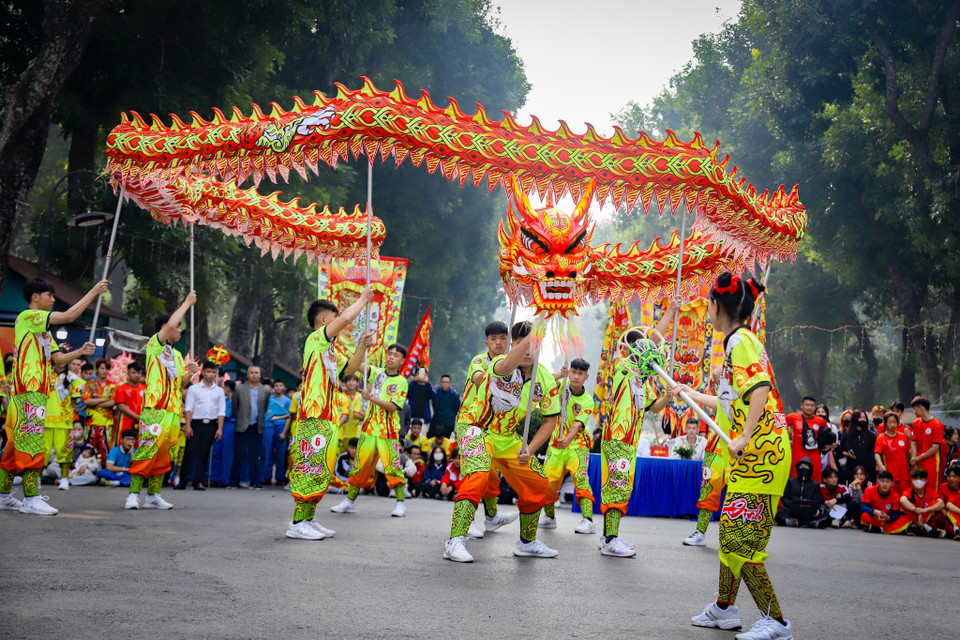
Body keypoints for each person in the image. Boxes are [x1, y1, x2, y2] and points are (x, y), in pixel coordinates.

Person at [676, 273, 793, 639]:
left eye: (707, 304)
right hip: (754, 456)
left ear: (715, 306)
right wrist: (690, 392)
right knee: (732, 538)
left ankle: (776, 622)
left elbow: (759, 388)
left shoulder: (738, 341)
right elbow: (733, 401)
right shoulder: (740, 341)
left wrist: (743, 436)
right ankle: (725, 609)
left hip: (761, 455)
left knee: (738, 542)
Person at [442, 321, 561, 563]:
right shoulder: (500, 364)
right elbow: (506, 364)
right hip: (477, 428)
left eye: (533, 345)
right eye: (521, 345)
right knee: (479, 474)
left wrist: (530, 449)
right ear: (513, 346)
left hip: (508, 438)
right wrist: (535, 332)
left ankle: (527, 543)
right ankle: (455, 541)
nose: (528, 351)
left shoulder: (546, 378)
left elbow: (551, 420)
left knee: (539, 482)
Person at [0, 277, 104, 515]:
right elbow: (68, 316)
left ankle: (3, 496)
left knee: (14, 446)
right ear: (35, 297)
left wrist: (79, 351)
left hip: (32, 392)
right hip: (29, 390)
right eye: (50, 295)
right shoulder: (29, 316)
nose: (53, 299)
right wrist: (94, 292)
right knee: (32, 444)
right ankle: (31, 498)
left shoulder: (42, 330)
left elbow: (56, 359)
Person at [284, 288, 372, 540]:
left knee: (321, 469)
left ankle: (308, 519)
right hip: (314, 415)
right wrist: (363, 300)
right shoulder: (315, 339)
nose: (339, 321)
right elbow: (345, 318)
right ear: (324, 320)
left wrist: (360, 347)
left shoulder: (330, 350)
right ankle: (297, 523)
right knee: (310, 467)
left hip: (328, 418)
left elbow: (351, 368)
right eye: (334, 317)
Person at [600, 308, 676, 558]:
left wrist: (667, 395)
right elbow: (653, 341)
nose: (648, 349)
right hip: (618, 438)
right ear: (632, 349)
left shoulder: (642, 381)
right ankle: (611, 540)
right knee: (618, 488)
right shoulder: (624, 369)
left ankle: (607, 535)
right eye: (641, 345)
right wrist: (671, 312)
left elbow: (654, 408)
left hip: (629, 442)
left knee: (619, 486)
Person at [125, 292, 198, 511]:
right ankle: (133, 495)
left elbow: (179, 384)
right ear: (166, 328)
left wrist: (190, 373)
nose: (179, 330)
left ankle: (153, 496)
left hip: (173, 411)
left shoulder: (176, 355)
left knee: (164, 455)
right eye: (176, 327)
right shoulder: (154, 345)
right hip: (155, 409)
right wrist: (186, 303)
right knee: (147, 451)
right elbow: (171, 325)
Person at [331, 340, 410, 517]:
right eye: (389, 353)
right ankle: (349, 502)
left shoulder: (402, 382)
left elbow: (393, 407)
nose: (391, 357)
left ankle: (400, 504)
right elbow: (355, 365)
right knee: (360, 466)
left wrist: (370, 398)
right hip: (368, 429)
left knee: (392, 467)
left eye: (396, 355)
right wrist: (362, 347)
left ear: (402, 360)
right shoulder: (376, 373)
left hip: (387, 431)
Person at [540, 358, 597, 534]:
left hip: (577, 446)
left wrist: (569, 439)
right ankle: (549, 517)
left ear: (586, 376)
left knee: (581, 479)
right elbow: (541, 379)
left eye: (580, 373)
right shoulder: (560, 388)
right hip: (556, 445)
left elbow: (577, 425)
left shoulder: (588, 400)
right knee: (547, 483)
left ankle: (588, 520)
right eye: (573, 372)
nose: (576, 377)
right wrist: (560, 375)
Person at [178, 361, 226, 490]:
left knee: (204, 454)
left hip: (211, 424)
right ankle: (182, 480)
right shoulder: (194, 389)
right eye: (208, 372)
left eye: (213, 372)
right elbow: (189, 408)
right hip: (196, 424)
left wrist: (220, 429)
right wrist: (188, 425)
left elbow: (221, 411)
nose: (211, 375)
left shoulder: (219, 391)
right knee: (189, 452)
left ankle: (198, 481)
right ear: (203, 372)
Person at [231, 366, 269, 489]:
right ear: (247, 375)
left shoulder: (265, 390)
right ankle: (234, 481)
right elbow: (235, 407)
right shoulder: (239, 389)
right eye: (251, 373)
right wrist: (242, 419)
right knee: (239, 455)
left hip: (257, 427)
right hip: (242, 426)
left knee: (255, 456)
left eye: (256, 373)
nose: (253, 375)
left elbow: (265, 407)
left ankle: (255, 482)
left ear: (260, 375)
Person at [46, 362, 79, 490]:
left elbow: (75, 399)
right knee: (43, 452)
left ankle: (64, 479)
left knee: (64, 451)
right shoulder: (45, 373)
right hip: (44, 418)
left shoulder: (73, 378)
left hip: (63, 420)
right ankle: (36, 479)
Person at [82, 358, 117, 462]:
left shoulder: (113, 385)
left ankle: (103, 471)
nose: (104, 371)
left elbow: (112, 403)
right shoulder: (89, 385)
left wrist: (95, 401)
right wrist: (103, 399)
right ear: (97, 369)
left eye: (107, 369)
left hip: (107, 423)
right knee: (89, 448)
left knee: (105, 448)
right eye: (102, 368)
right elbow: (86, 401)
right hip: (91, 422)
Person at [775, 457, 826, 528]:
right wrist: (792, 505)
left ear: (810, 469)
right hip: (792, 509)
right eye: (801, 466)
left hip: (808, 510)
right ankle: (805, 523)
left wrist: (814, 509)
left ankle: (798, 522)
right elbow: (784, 498)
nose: (803, 468)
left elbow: (817, 500)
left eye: (806, 467)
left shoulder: (815, 484)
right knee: (779, 516)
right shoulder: (791, 481)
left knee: (825, 514)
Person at [785, 396, 826, 483]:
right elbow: (779, 426)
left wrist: (830, 445)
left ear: (815, 407)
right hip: (797, 455)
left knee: (815, 480)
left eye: (812, 406)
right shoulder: (792, 417)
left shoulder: (820, 421)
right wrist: (786, 441)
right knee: (795, 479)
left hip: (814, 456)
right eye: (807, 405)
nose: (809, 407)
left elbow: (826, 437)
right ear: (802, 405)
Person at [261, 379, 291, 486]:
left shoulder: (287, 401)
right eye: (276, 385)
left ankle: (279, 477)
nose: (278, 387)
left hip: (280, 427)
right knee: (267, 452)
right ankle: (266, 476)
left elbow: (288, 416)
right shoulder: (269, 399)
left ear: (283, 387)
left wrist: (284, 432)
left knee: (280, 454)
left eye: (280, 385)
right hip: (269, 427)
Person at [899, 468, 945, 537]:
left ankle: (923, 526)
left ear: (926, 480)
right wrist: (916, 511)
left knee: (935, 503)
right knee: (905, 505)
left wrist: (924, 510)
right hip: (913, 518)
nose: (918, 480)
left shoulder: (930, 491)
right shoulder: (909, 491)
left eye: (921, 478)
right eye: (915, 478)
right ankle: (925, 528)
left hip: (927, 519)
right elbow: (902, 500)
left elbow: (941, 504)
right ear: (912, 480)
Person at [875, 412, 911, 495]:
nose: (892, 424)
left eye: (894, 422)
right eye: (890, 422)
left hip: (904, 474)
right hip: (889, 474)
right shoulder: (881, 438)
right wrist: (880, 465)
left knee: (905, 496)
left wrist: (909, 438)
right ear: (885, 424)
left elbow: (909, 452)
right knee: (891, 497)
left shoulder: (903, 436)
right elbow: (877, 453)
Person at [909, 396, 944, 483]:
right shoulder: (916, 423)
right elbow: (913, 442)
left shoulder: (937, 424)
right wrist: (914, 458)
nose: (914, 412)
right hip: (917, 462)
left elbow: (934, 448)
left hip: (931, 462)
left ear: (920, 408)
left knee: (931, 487)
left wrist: (917, 458)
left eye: (915, 409)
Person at [211, 380, 236, 487]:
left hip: (230, 426)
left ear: (227, 389)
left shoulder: (235, 401)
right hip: (220, 425)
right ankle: (213, 477)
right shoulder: (224, 400)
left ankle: (225, 479)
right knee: (216, 452)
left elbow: (228, 414)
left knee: (227, 453)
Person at [113, 363, 145, 445]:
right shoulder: (121, 388)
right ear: (128, 373)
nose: (137, 375)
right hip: (125, 423)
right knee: (123, 446)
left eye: (139, 373)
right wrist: (137, 417)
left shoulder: (144, 388)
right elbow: (121, 406)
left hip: (141, 423)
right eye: (134, 373)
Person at [839, 409, 876, 481]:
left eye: (864, 418)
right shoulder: (848, 434)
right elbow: (842, 450)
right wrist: (848, 454)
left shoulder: (871, 435)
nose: (862, 420)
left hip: (867, 467)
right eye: (860, 418)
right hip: (852, 468)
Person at [336, 374, 364, 452]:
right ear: (345, 383)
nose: (351, 383)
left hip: (356, 433)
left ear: (357, 383)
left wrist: (361, 415)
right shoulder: (340, 397)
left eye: (353, 381)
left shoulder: (360, 397)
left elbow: (357, 415)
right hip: (342, 432)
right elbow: (356, 414)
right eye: (348, 381)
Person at [406, 368, 436, 434]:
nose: (421, 376)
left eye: (423, 374)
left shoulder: (428, 387)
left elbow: (434, 395)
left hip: (423, 417)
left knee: (422, 438)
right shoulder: (413, 385)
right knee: (409, 436)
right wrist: (414, 380)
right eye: (419, 374)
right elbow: (407, 393)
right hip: (411, 416)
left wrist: (427, 382)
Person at [431, 374, 461, 439]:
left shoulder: (454, 395)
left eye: (447, 382)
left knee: (445, 442)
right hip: (436, 421)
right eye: (443, 382)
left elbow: (457, 408)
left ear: (450, 384)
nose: (445, 384)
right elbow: (434, 405)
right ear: (440, 383)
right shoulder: (437, 393)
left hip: (448, 423)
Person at [938, 464, 960, 539]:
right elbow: (939, 502)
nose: (951, 479)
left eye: (954, 477)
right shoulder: (942, 487)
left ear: (959, 478)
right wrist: (942, 511)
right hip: (945, 515)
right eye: (949, 476)